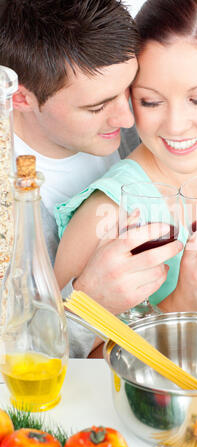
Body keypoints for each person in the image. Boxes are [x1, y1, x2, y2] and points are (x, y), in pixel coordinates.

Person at [54, 0, 197, 351]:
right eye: (150, 101)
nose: (175, 126)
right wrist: (183, 304)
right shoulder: (108, 211)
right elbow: (64, 366)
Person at [0, 0, 183, 357]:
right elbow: (12, 360)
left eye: (128, 89)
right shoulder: (8, 204)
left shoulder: (130, 130)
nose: (128, 118)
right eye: (96, 107)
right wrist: (89, 303)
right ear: (20, 97)